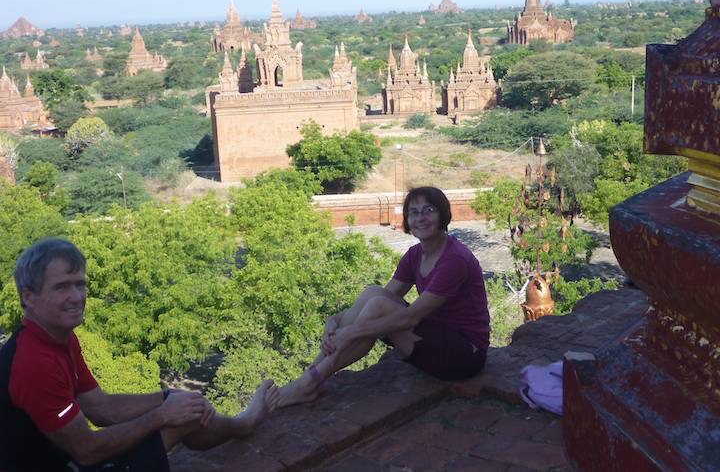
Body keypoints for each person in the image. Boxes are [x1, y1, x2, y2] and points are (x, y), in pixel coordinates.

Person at [0, 238, 279, 472]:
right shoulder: (32, 363)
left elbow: (102, 408)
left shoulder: (58, 337)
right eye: (62, 286)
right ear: (28, 297)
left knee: (184, 408)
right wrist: (162, 415)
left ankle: (241, 423)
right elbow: (86, 450)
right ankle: (243, 424)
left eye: (80, 284)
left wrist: (169, 397)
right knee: (177, 419)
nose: (76, 296)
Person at [277, 186, 489, 407]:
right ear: (407, 220)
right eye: (414, 213)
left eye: (428, 210)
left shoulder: (454, 260)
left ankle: (309, 383)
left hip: (464, 355)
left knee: (378, 306)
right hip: (436, 336)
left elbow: (410, 318)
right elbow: (385, 297)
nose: (421, 218)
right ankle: (309, 379)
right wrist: (334, 321)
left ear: (443, 214)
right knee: (373, 293)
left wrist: (348, 333)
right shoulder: (415, 255)